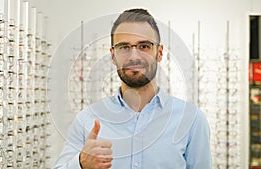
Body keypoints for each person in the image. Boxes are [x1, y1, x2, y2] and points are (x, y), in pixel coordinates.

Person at [54, 8, 211, 169]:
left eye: (144, 46)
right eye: (124, 47)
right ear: (113, 56)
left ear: (159, 53)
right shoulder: (87, 119)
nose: (134, 56)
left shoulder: (192, 120)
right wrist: (81, 164)